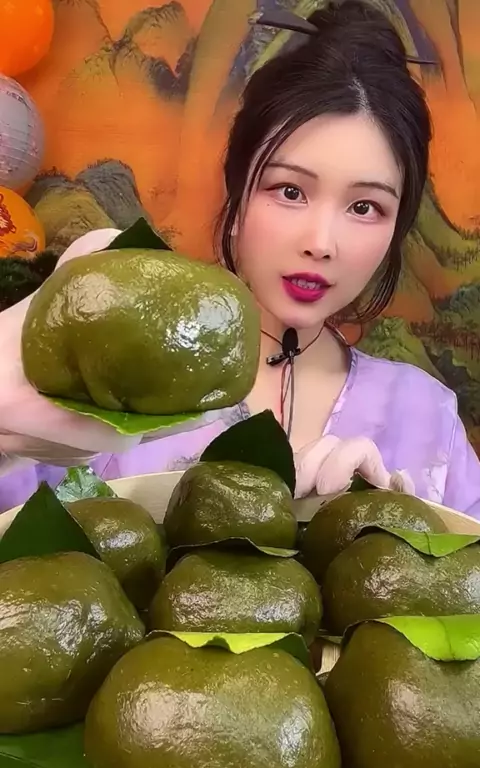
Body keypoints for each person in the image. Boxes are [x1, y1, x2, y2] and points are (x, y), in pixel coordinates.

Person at [1, 0, 480, 517]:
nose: (321, 242)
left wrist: (407, 538)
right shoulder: (109, 376)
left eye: (364, 207)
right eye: (290, 191)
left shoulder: (427, 418)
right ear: (238, 196)